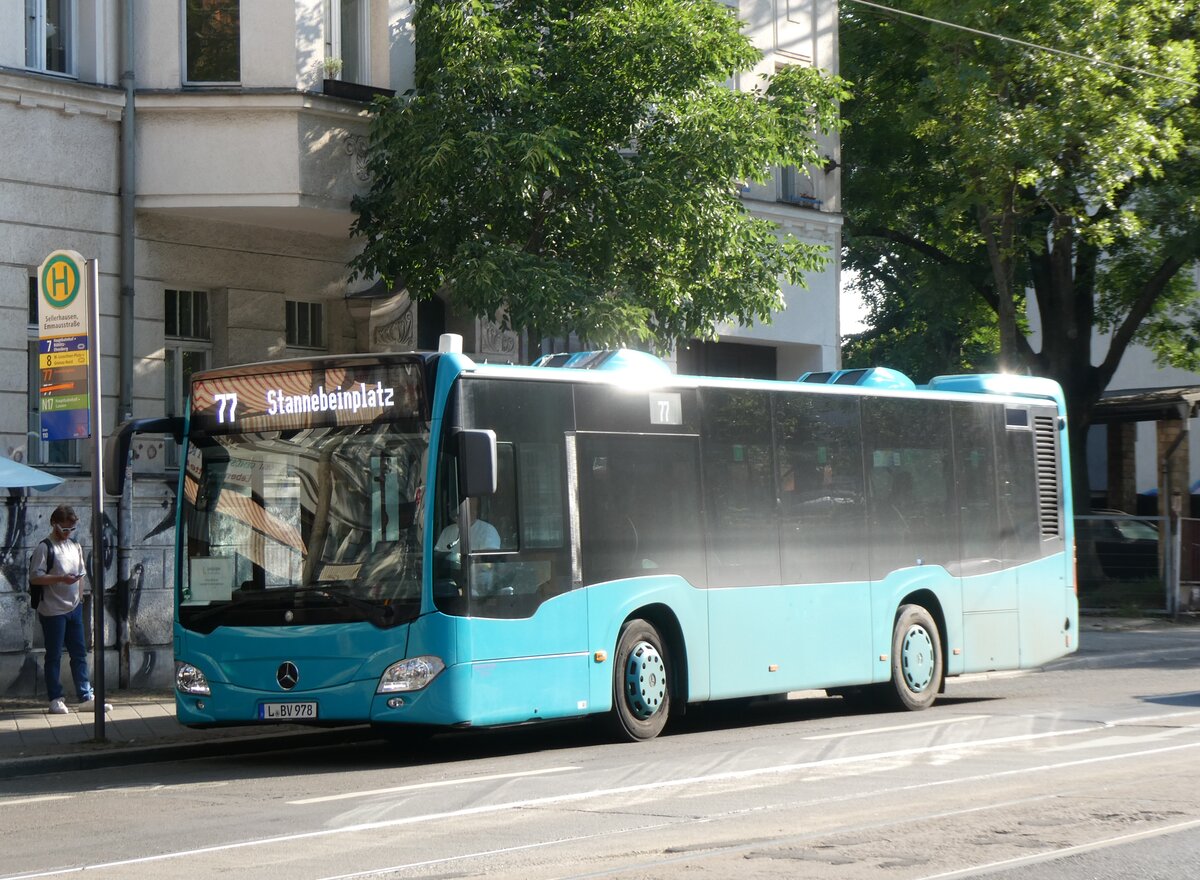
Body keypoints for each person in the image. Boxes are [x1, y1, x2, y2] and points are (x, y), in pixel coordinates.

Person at [29, 505, 111, 715]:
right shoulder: (45, 548)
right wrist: (60, 579)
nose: (67, 533)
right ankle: (55, 698)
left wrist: (80, 599)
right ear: (54, 525)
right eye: (64, 529)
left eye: (71, 530)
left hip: (74, 608)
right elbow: (35, 577)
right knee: (54, 655)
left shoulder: (75, 546)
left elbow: (81, 574)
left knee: (79, 654)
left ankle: (86, 695)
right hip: (52, 610)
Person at [434, 499, 502, 594]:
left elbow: (487, 562)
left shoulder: (487, 531)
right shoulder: (447, 532)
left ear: (473, 510)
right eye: (454, 511)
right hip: (452, 585)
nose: (457, 515)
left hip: (479, 587)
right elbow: (438, 559)